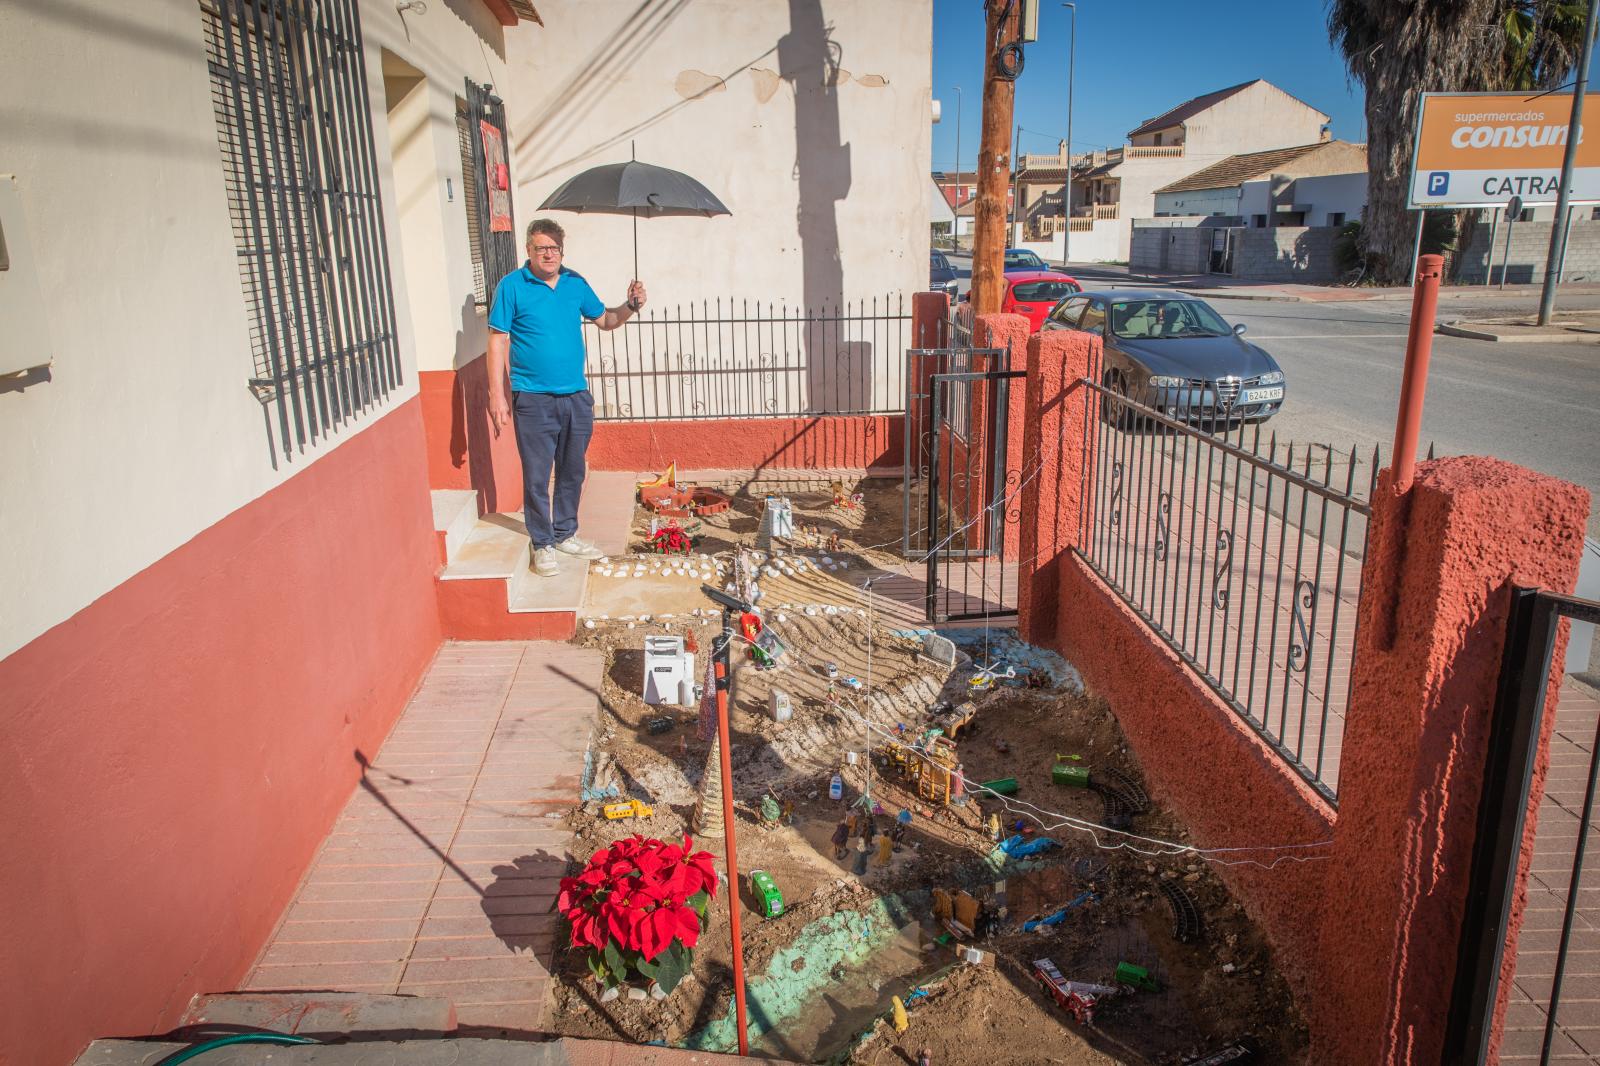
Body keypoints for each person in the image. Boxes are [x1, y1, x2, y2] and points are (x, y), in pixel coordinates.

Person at [487, 219, 647, 577]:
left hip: (575, 396)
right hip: (533, 398)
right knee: (537, 474)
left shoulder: (575, 283)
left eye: (555, 248)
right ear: (528, 250)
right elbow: (497, 341)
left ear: (562, 251)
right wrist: (496, 394)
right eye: (542, 247)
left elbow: (606, 320)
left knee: (572, 470)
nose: (549, 254)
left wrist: (631, 305)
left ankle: (564, 533)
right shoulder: (512, 286)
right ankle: (542, 542)